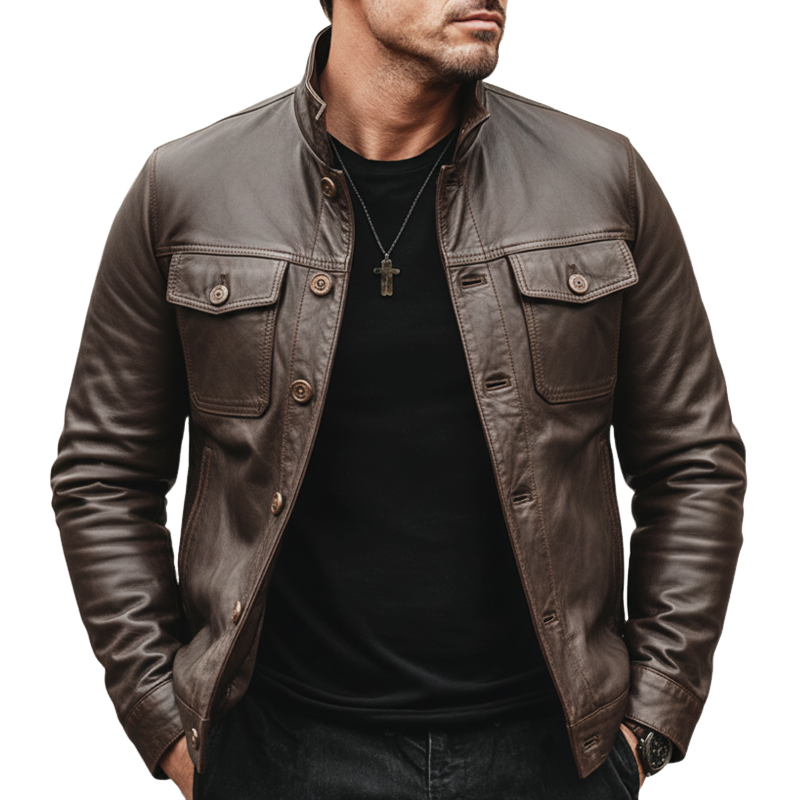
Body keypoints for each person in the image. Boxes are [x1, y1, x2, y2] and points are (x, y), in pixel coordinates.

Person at [50, 1, 746, 797]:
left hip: (552, 757)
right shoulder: (188, 190)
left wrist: (649, 724)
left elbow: (694, 461)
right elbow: (103, 472)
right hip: (280, 754)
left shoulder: (600, 180)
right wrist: (163, 718)